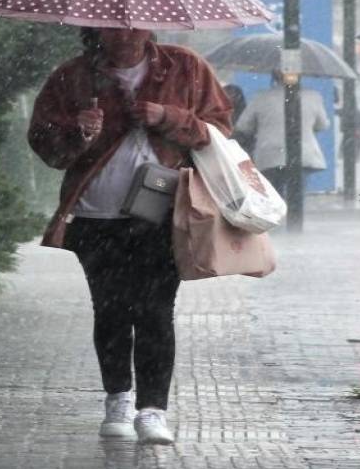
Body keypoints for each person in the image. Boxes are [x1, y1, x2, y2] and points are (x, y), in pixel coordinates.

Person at [27, 27, 232, 445]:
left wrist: (167, 117)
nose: (126, 33)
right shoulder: (74, 76)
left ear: (149, 24)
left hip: (162, 213)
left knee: (155, 310)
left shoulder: (185, 67)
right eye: (115, 26)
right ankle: (118, 399)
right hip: (95, 216)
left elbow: (219, 131)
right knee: (111, 310)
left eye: (134, 24)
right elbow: (45, 144)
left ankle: (152, 410)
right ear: (97, 28)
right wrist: (77, 131)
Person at [233, 70, 330, 200]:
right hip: (302, 153)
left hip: (269, 153)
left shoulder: (261, 97)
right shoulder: (313, 96)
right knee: (297, 193)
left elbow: (243, 126)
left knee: (274, 194)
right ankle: (294, 210)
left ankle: (279, 208)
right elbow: (323, 125)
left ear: (273, 78)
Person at [222, 83, 252, 155]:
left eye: (232, 95)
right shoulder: (217, 115)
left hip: (240, 152)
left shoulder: (245, 116)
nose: (229, 98)